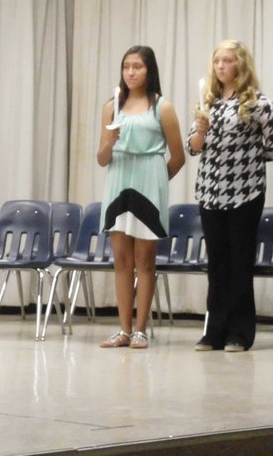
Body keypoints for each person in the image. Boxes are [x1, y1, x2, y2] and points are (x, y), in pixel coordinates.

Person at [187, 40, 273, 352]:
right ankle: (213, 331)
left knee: (240, 262)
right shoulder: (208, 102)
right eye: (217, 61)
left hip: (245, 191)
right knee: (216, 264)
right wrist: (201, 130)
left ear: (240, 65)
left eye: (227, 60)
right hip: (210, 191)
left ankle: (239, 333)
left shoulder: (258, 103)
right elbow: (192, 147)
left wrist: (246, 159)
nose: (220, 66)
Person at [97, 45, 185, 349]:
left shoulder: (163, 107)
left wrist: (158, 182)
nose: (130, 72)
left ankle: (140, 329)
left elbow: (178, 157)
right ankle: (122, 329)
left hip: (149, 184)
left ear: (150, 70)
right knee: (121, 261)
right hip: (118, 182)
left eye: (137, 66)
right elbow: (101, 158)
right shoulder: (112, 107)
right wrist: (108, 142)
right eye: (126, 67)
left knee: (145, 261)